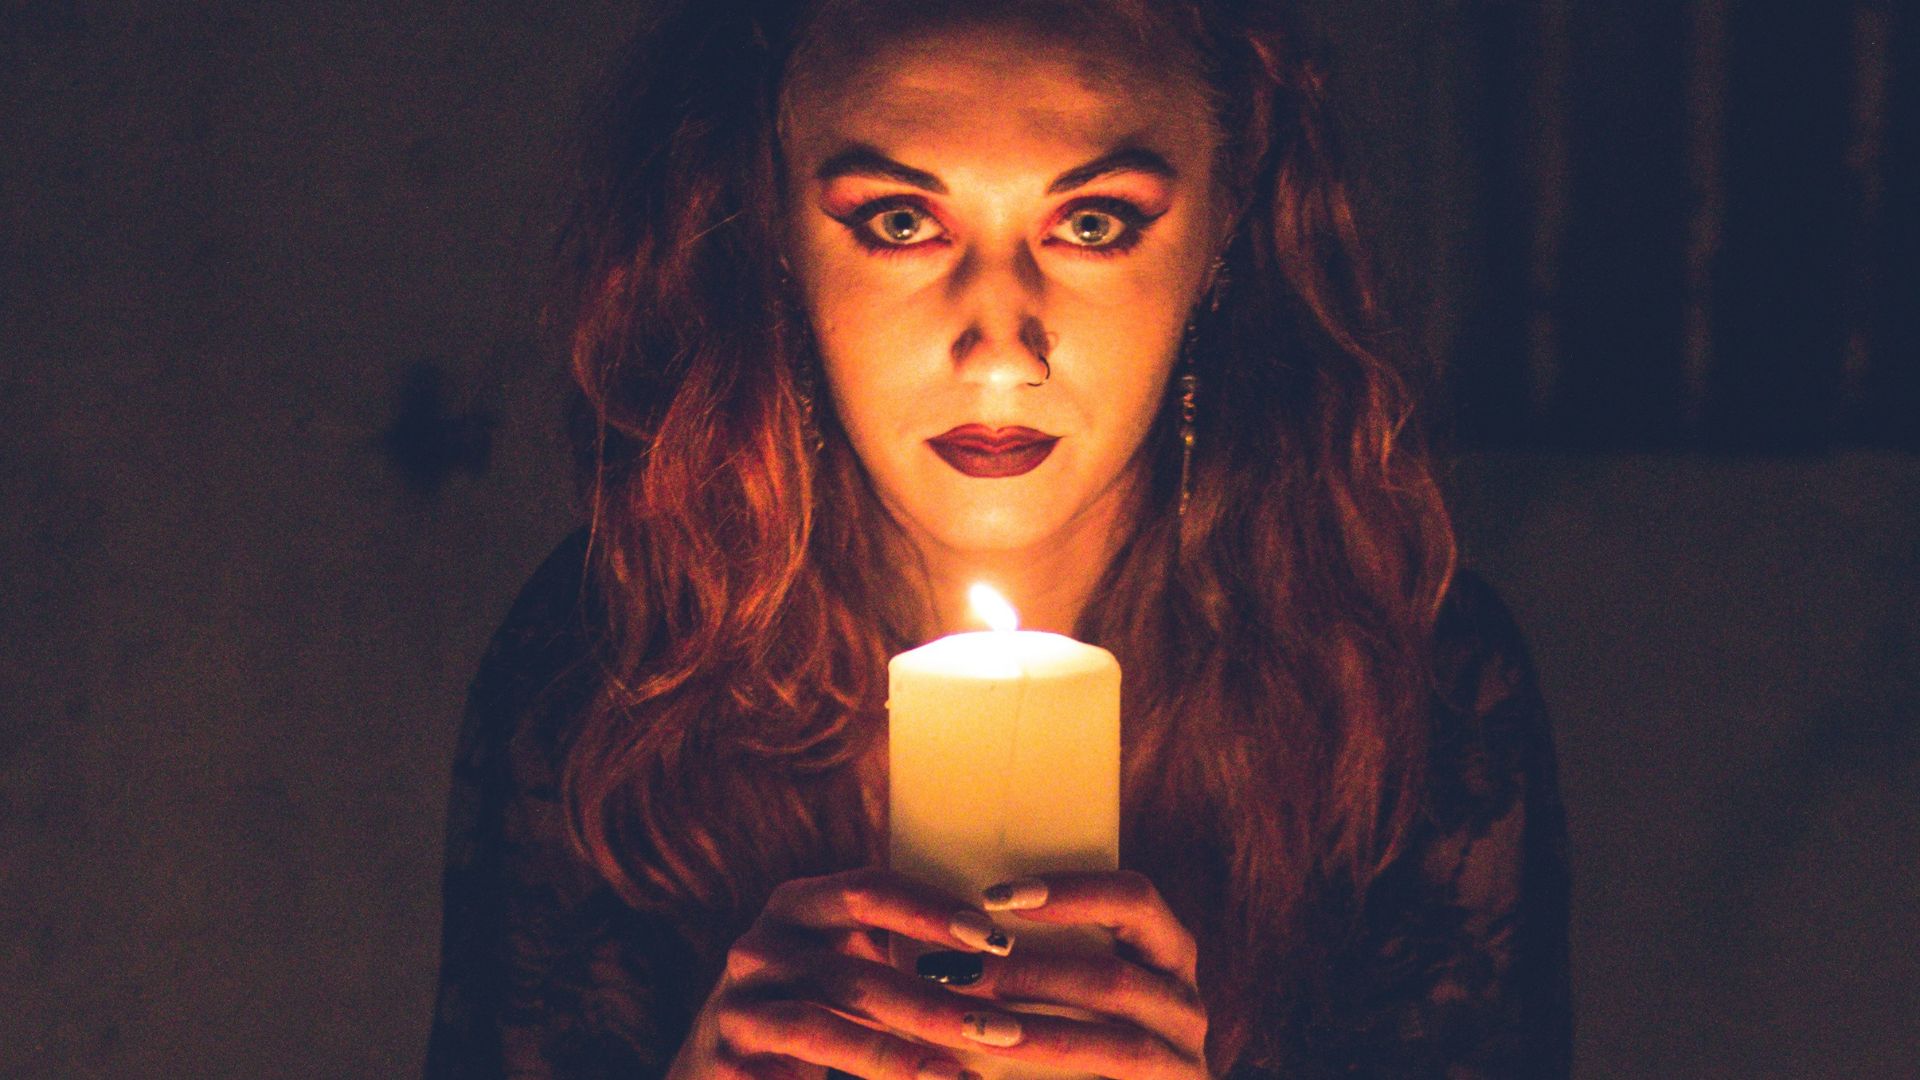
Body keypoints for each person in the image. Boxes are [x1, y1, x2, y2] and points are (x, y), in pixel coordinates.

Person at [424, 0, 1571, 1076]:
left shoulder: (1404, 681)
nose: (1001, 350)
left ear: (1222, 230)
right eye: (900, 221)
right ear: (775, 231)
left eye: (1093, 222)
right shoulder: (617, 660)